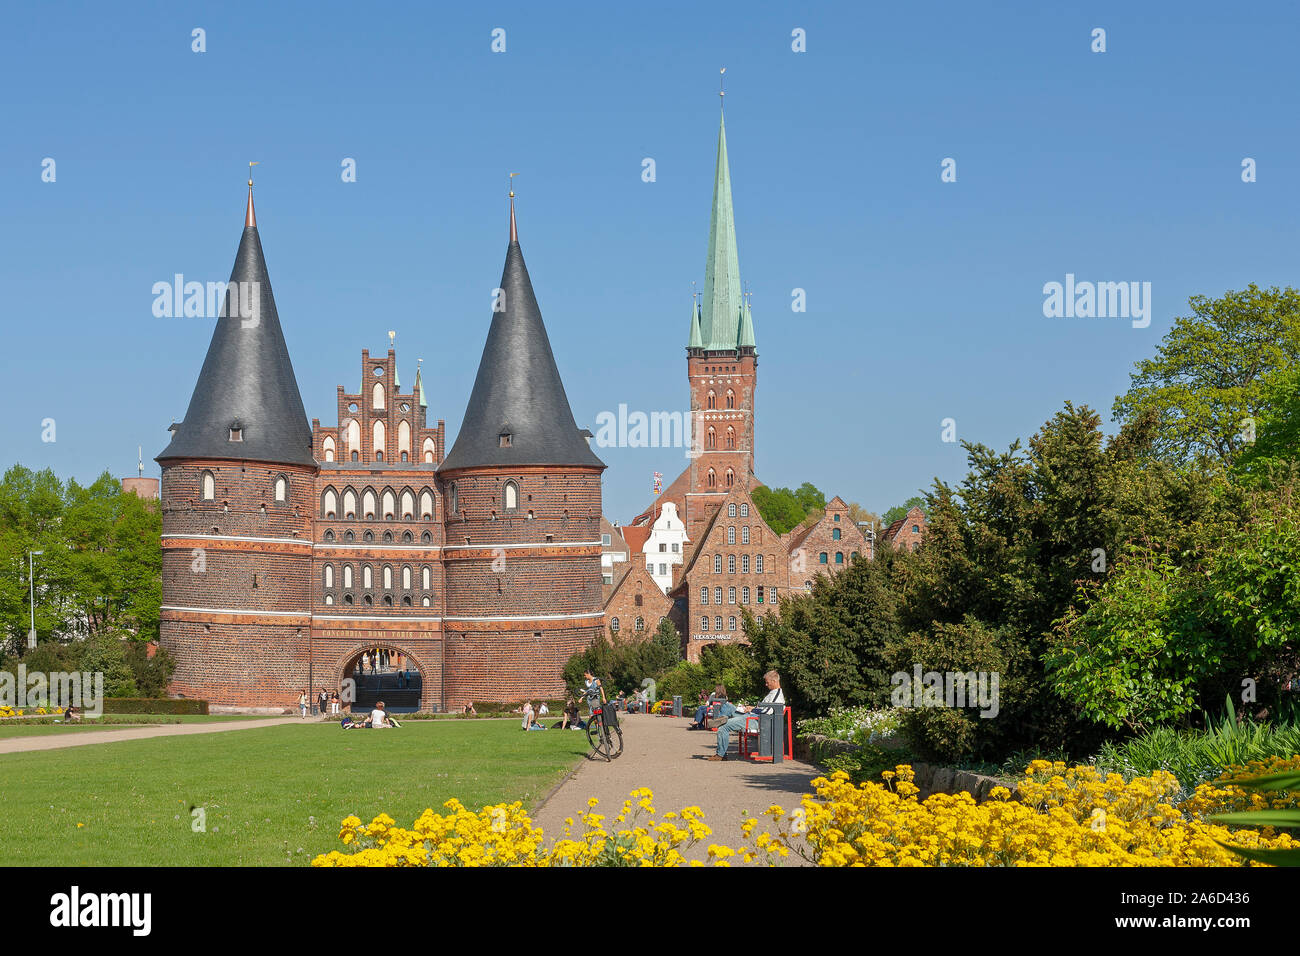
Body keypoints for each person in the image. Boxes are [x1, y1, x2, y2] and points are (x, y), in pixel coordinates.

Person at [709, 671, 784, 761]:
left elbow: (767, 711)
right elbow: (765, 709)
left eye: (767, 682)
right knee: (727, 706)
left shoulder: (777, 695)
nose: (766, 684)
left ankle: (720, 754)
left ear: (774, 681)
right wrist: (751, 708)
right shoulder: (773, 693)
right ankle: (720, 719)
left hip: (757, 720)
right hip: (753, 717)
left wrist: (752, 710)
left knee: (723, 726)